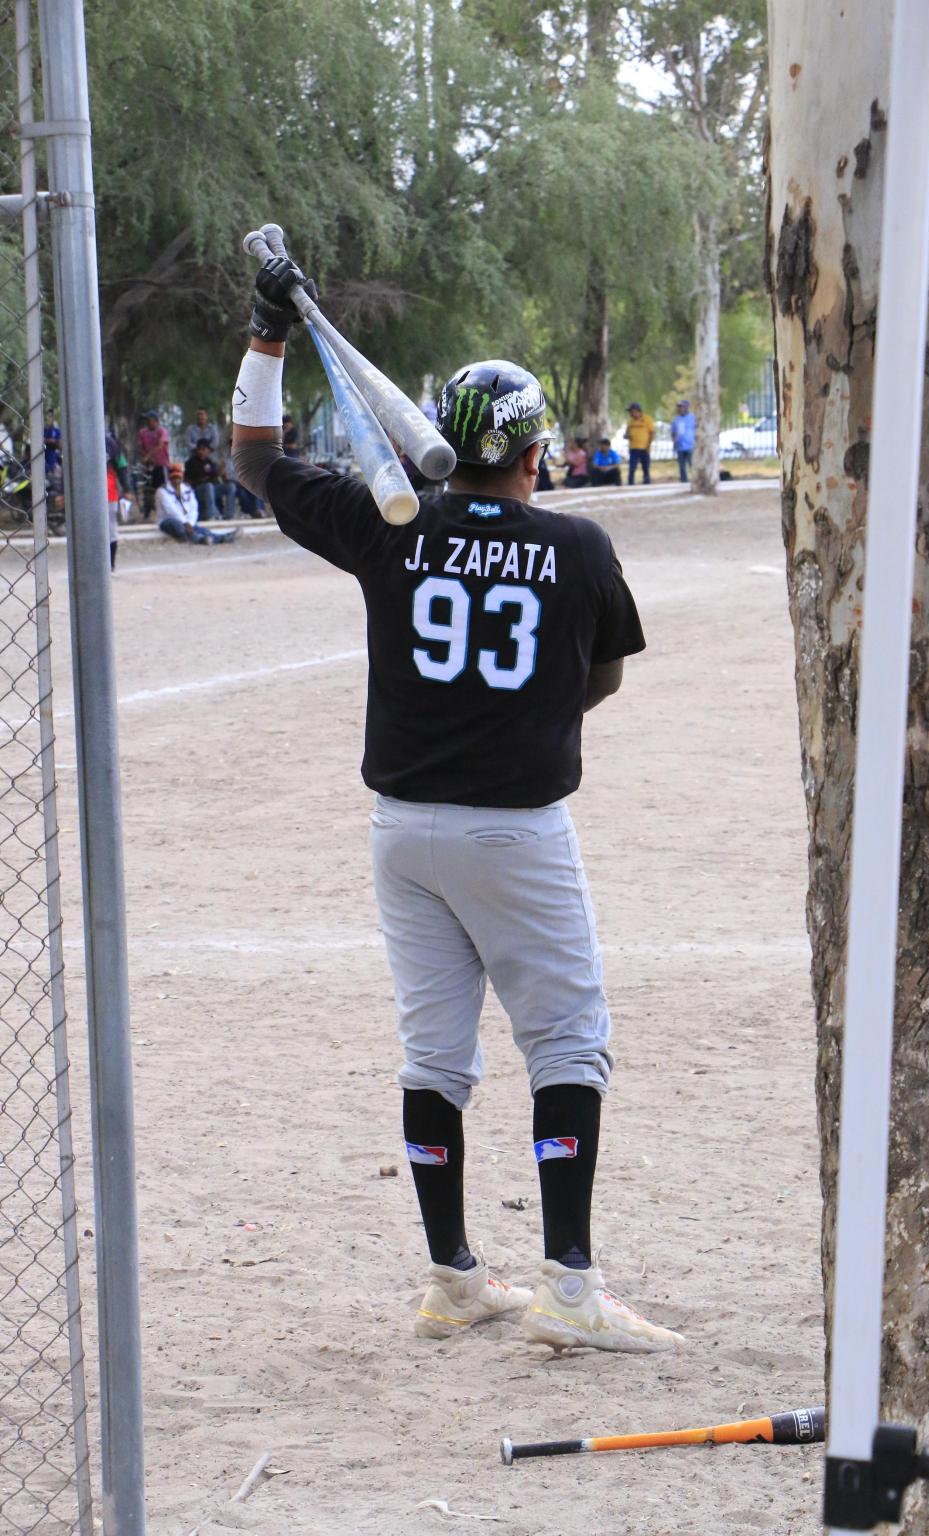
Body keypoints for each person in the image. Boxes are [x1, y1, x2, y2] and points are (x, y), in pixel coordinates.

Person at [231, 252, 683, 1355]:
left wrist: (268, 329)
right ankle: (567, 1288)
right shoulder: (577, 545)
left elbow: (253, 457)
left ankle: (453, 1277)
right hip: (516, 830)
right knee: (568, 1045)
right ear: (533, 452)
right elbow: (607, 673)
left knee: (436, 1056)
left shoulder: (391, 522)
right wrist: (527, 710)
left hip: (403, 832)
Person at [156, 463, 237, 545]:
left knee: (202, 530)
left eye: (178, 478)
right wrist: (186, 523)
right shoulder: (162, 491)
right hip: (168, 520)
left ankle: (222, 537)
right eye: (174, 478)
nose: (176, 480)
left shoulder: (187, 488)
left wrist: (190, 523)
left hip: (187, 521)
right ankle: (201, 540)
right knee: (178, 527)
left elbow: (194, 507)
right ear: (169, 478)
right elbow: (171, 510)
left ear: (182, 477)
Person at [138, 409, 171, 513]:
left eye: (150, 419)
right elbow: (140, 447)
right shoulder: (143, 432)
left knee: (163, 488)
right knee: (148, 488)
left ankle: (167, 510)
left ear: (155, 421)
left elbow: (160, 445)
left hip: (161, 465)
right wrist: (146, 457)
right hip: (149, 465)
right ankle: (147, 511)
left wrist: (149, 455)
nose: (148, 422)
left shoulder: (162, 431)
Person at [184, 438, 221, 521]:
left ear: (208, 451)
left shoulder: (210, 462)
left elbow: (214, 477)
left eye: (203, 449)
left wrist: (219, 472)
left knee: (230, 487)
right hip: (196, 490)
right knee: (208, 486)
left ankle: (228, 515)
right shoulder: (190, 462)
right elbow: (187, 480)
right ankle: (210, 515)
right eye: (199, 449)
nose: (201, 452)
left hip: (211, 489)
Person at [624, 402, 655, 486]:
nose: (630, 413)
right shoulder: (630, 421)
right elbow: (626, 434)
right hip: (633, 448)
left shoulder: (647, 419)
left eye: (631, 411)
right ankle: (630, 483)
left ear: (637, 411)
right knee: (632, 467)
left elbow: (652, 433)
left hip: (645, 448)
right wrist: (627, 436)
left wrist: (649, 445)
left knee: (645, 467)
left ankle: (646, 483)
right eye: (629, 412)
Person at [670, 399, 696, 483]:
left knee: (692, 464)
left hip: (690, 446)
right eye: (679, 407)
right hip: (680, 446)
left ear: (686, 407)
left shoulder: (692, 418)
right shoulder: (676, 419)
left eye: (682, 407)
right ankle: (683, 480)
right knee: (682, 466)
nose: (680, 408)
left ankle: (696, 479)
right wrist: (674, 441)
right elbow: (673, 432)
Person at [43, 409, 61, 473]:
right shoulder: (43, 429)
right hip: (43, 458)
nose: (49, 418)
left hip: (52, 459)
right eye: (48, 416)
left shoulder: (56, 430)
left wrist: (49, 441)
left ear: (53, 417)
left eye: (51, 416)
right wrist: (51, 441)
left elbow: (58, 444)